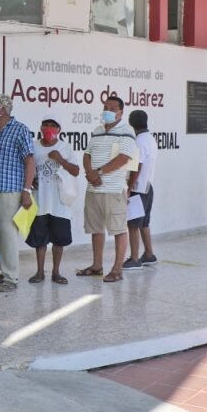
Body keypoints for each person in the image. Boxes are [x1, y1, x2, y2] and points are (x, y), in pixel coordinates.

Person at [78, 96, 139, 283]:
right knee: (96, 229)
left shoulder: (126, 131)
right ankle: (97, 266)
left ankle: (117, 270)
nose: (108, 111)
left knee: (118, 229)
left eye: (113, 108)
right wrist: (90, 173)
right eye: (106, 107)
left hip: (113, 189)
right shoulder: (97, 130)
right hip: (93, 188)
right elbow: (87, 154)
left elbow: (124, 158)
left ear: (121, 112)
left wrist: (98, 172)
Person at [0, 94, 35, 293]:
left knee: (8, 233)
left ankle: (11, 277)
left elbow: (30, 161)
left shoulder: (20, 130)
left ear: (3, 109)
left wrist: (27, 190)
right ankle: (3, 270)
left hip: (10, 190)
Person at [26, 118, 78, 284]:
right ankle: (40, 272)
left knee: (59, 240)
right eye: (46, 125)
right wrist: (29, 182)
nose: (49, 128)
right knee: (40, 240)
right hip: (40, 200)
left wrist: (61, 160)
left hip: (59, 202)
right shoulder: (33, 146)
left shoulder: (65, 147)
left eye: (53, 126)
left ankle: (56, 272)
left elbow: (76, 171)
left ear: (59, 129)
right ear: (41, 127)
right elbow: (26, 167)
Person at [123, 109, 157, 270]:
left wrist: (129, 187)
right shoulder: (149, 138)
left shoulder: (139, 141)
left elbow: (137, 166)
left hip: (138, 188)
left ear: (131, 123)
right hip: (148, 187)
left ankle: (135, 258)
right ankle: (149, 254)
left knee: (133, 224)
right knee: (144, 223)